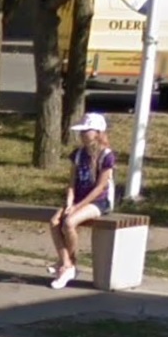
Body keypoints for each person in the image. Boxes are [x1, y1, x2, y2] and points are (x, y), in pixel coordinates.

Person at [49, 112, 116, 289]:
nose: (82, 134)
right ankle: (66, 262)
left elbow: (100, 187)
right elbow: (72, 182)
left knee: (69, 223)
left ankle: (68, 266)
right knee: (54, 221)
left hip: (98, 202)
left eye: (87, 131)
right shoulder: (78, 154)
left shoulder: (106, 155)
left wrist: (78, 206)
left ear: (98, 132)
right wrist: (70, 201)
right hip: (78, 200)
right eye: (81, 131)